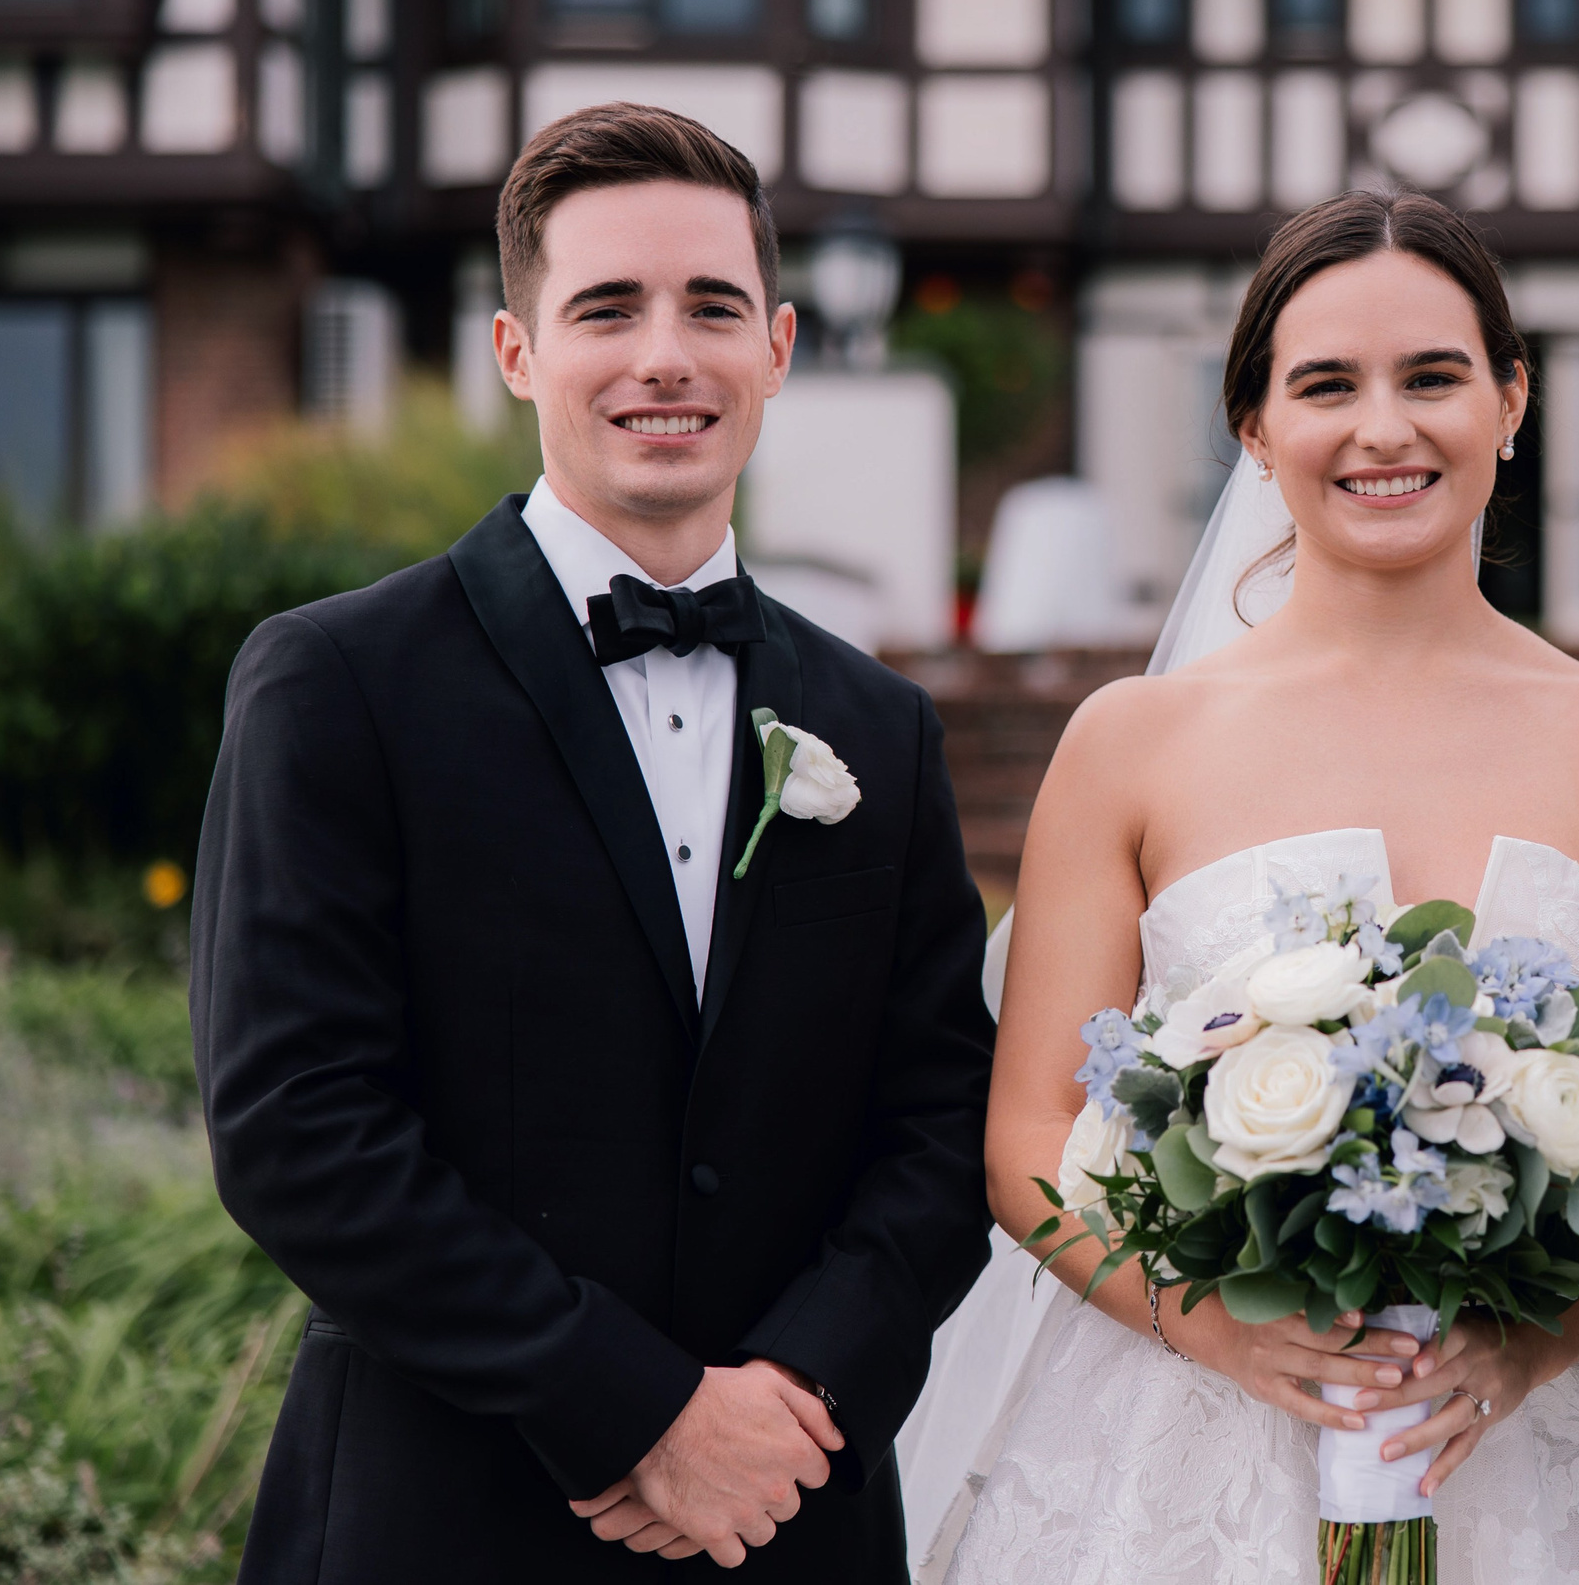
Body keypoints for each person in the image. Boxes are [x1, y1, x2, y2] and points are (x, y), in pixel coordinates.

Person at [190, 102, 996, 1582]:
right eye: (606, 308)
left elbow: (945, 1125)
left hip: (793, 1519)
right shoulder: (339, 682)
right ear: (517, 352)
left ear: (782, 347)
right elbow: (296, 1126)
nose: (665, 356)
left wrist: (801, 1395)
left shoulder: (883, 728)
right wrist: (634, 1412)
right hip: (440, 1512)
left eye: (713, 307)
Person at [932, 190, 1579, 1582]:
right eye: (1327, 385)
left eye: (1434, 377)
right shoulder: (1128, 744)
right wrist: (1220, 1329)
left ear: (1512, 400)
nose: (1384, 428)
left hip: (1536, 1458)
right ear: (1257, 430)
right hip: (1180, 1456)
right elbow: (1029, 1131)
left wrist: (1531, 1348)